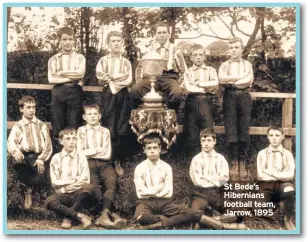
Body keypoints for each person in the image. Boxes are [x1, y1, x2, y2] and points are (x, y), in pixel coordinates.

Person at [130, 134, 245, 230]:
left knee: (191, 212)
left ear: (160, 149)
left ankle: (223, 226)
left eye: (155, 148)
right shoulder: (140, 168)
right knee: (140, 217)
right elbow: (140, 193)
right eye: (149, 148)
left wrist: (152, 191)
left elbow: (168, 193)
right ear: (144, 150)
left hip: (165, 202)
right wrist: (158, 189)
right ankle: (171, 221)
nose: (152, 151)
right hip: (145, 203)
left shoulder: (166, 167)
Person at [77, 104, 126, 228]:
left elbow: (107, 153)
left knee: (111, 182)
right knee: (95, 187)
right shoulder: (81, 131)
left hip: (104, 163)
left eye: (95, 114)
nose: (92, 116)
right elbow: (80, 152)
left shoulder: (105, 131)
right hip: (88, 164)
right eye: (89, 114)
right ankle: (109, 214)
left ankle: (104, 214)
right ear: (84, 116)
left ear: (100, 116)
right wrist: (97, 149)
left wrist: (90, 151)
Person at [189, 129, 247, 230]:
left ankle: (210, 221)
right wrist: (215, 178)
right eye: (203, 141)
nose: (206, 144)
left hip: (218, 193)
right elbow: (198, 181)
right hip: (201, 194)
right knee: (194, 213)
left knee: (240, 212)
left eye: (209, 140)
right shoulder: (196, 160)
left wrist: (206, 177)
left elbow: (224, 179)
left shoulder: (221, 159)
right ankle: (224, 226)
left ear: (214, 141)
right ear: (200, 142)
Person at [96, 30, 132, 176]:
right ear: (108, 44)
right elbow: (100, 76)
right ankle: (107, 160)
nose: (116, 44)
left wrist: (112, 77)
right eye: (113, 41)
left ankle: (118, 160)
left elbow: (128, 79)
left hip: (123, 95)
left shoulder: (126, 62)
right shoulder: (103, 61)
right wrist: (116, 78)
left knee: (122, 126)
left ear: (121, 43)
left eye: (118, 41)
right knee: (108, 124)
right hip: (108, 94)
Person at [7, 96, 52, 209]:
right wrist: (16, 151)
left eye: (33, 107)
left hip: (37, 157)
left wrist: (41, 159)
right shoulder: (18, 126)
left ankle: (33, 189)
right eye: (28, 107)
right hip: (24, 156)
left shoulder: (41, 125)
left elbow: (48, 146)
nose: (32, 110)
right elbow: (11, 142)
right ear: (21, 109)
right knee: (18, 162)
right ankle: (27, 191)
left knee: (39, 178)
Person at [218, 37, 254, 179]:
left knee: (243, 127)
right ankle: (233, 161)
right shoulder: (224, 66)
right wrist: (238, 79)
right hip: (229, 96)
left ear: (242, 49)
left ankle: (242, 161)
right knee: (231, 127)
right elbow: (221, 79)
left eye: (236, 47)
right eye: (231, 48)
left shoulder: (247, 65)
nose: (233, 50)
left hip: (244, 96)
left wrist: (232, 80)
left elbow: (248, 80)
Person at [132, 21, 187, 112]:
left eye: (164, 32)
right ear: (155, 35)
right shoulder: (149, 49)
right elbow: (140, 67)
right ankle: (143, 114)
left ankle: (171, 116)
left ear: (169, 34)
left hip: (169, 78)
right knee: (135, 89)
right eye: (159, 33)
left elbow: (183, 69)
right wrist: (139, 81)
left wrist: (180, 84)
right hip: (151, 77)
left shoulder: (175, 49)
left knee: (176, 93)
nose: (162, 35)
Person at [44, 128, 93, 230]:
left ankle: (68, 218)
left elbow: (85, 179)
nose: (71, 142)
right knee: (49, 201)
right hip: (63, 195)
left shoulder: (81, 157)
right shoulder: (56, 158)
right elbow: (55, 182)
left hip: (78, 193)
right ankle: (79, 216)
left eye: (74, 139)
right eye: (67, 139)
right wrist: (74, 180)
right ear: (61, 141)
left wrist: (66, 187)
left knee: (88, 188)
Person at [48, 27, 85, 148]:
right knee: (58, 124)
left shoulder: (80, 58)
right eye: (64, 39)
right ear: (59, 41)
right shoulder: (53, 59)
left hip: (75, 91)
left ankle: (73, 157)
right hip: (58, 92)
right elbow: (51, 79)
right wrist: (71, 77)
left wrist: (61, 73)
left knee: (74, 124)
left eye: (70, 39)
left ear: (74, 41)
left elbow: (80, 74)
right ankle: (58, 156)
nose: (67, 42)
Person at [182, 44, 218, 157]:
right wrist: (206, 87)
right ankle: (195, 160)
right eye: (195, 55)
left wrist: (199, 84)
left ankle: (209, 158)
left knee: (207, 129)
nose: (198, 57)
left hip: (206, 101)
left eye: (200, 54)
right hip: (192, 101)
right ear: (191, 58)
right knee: (192, 131)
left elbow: (215, 85)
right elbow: (189, 88)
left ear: (204, 57)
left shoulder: (211, 70)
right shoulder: (188, 72)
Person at [257, 126, 296, 230]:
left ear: (282, 136)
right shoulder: (262, 153)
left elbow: (290, 175)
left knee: (289, 189)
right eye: (271, 135)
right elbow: (260, 175)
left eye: (277, 135)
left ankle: (287, 218)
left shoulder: (287, 154)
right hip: (266, 184)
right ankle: (276, 215)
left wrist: (270, 172)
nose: (274, 138)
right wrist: (280, 175)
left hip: (283, 184)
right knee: (259, 209)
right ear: (268, 137)